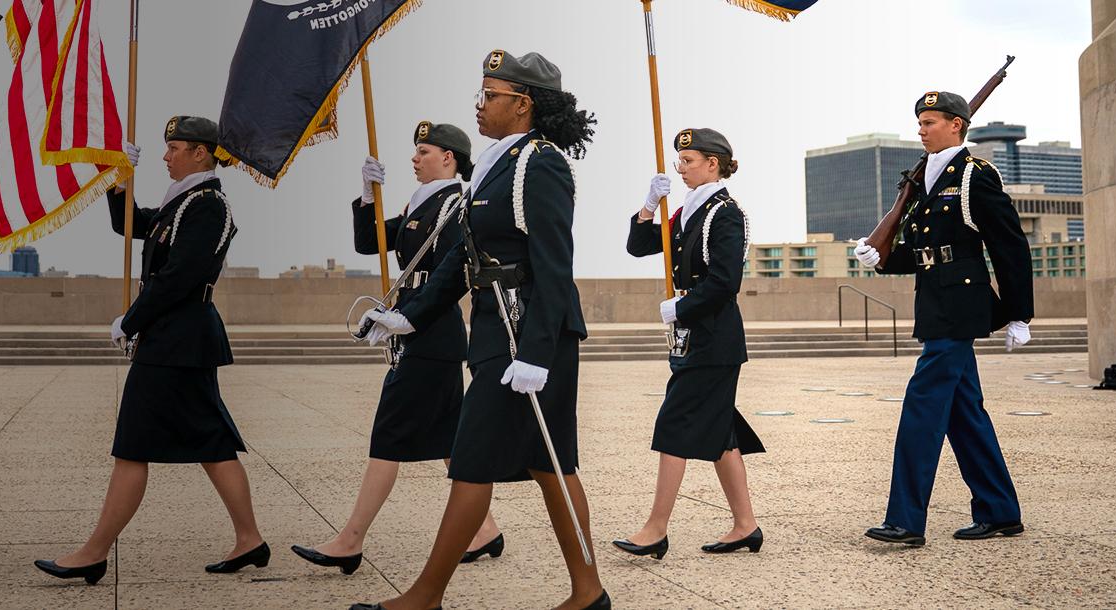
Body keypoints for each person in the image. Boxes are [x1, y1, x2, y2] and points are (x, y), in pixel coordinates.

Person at [355, 49, 608, 610]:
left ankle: (426, 595)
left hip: (529, 334)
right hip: (497, 328)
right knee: (548, 463)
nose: (480, 104)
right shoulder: (495, 165)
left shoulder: (540, 163)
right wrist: (408, 316)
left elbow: (553, 264)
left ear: (522, 104)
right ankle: (588, 591)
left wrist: (537, 352)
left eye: (491, 95)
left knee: (478, 458)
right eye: (482, 93)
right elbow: (462, 260)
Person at [34, 115, 266, 584]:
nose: (165, 156)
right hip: (176, 340)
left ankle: (94, 552)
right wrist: (120, 182)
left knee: (133, 445)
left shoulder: (208, 205)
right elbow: (129, 226)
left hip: (178, 340)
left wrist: (131, 320)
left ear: (200, 153)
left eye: (174, 148)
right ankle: (250, 539)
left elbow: (178, 278)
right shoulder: (180, 203)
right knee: (211, 441)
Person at [291, 121, 503, 576]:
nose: (414, 158)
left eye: (423, 151)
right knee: (448, 439)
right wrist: (368, 197)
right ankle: (485, 529)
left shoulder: (456, 205)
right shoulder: (418, 203)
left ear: (448, 157)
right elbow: (370, 243)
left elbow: (451, 274)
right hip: (422, 335)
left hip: (431, 334)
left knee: (388, 436)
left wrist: (410, 318)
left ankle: (350, 540)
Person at [852, 91, 1034, 546]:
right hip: (934, 304)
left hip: (961, 308)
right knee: (964, 414)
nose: (921, 129)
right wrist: (880, 257)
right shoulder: (923, 179)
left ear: (957, 125)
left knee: (921, 409)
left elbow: (1009, 245)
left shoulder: (975, 175)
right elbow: (923, 251)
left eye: (930, 121)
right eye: (919, 122)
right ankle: (999, 511)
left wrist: (1019, 313)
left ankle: (905, 520)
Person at [615, 128, 764, 560]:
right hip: (695, 337)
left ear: (713, 164)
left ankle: (655, 529)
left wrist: (681, 307)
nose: (680, 168)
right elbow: (639, 246)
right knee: (721, 435)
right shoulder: (686, 211)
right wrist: (648, 206)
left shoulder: (725, 213)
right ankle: (745, 525)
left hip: (714, 338)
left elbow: (725, 282)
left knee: (674, 425)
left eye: (689, 160)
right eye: (679, 161)